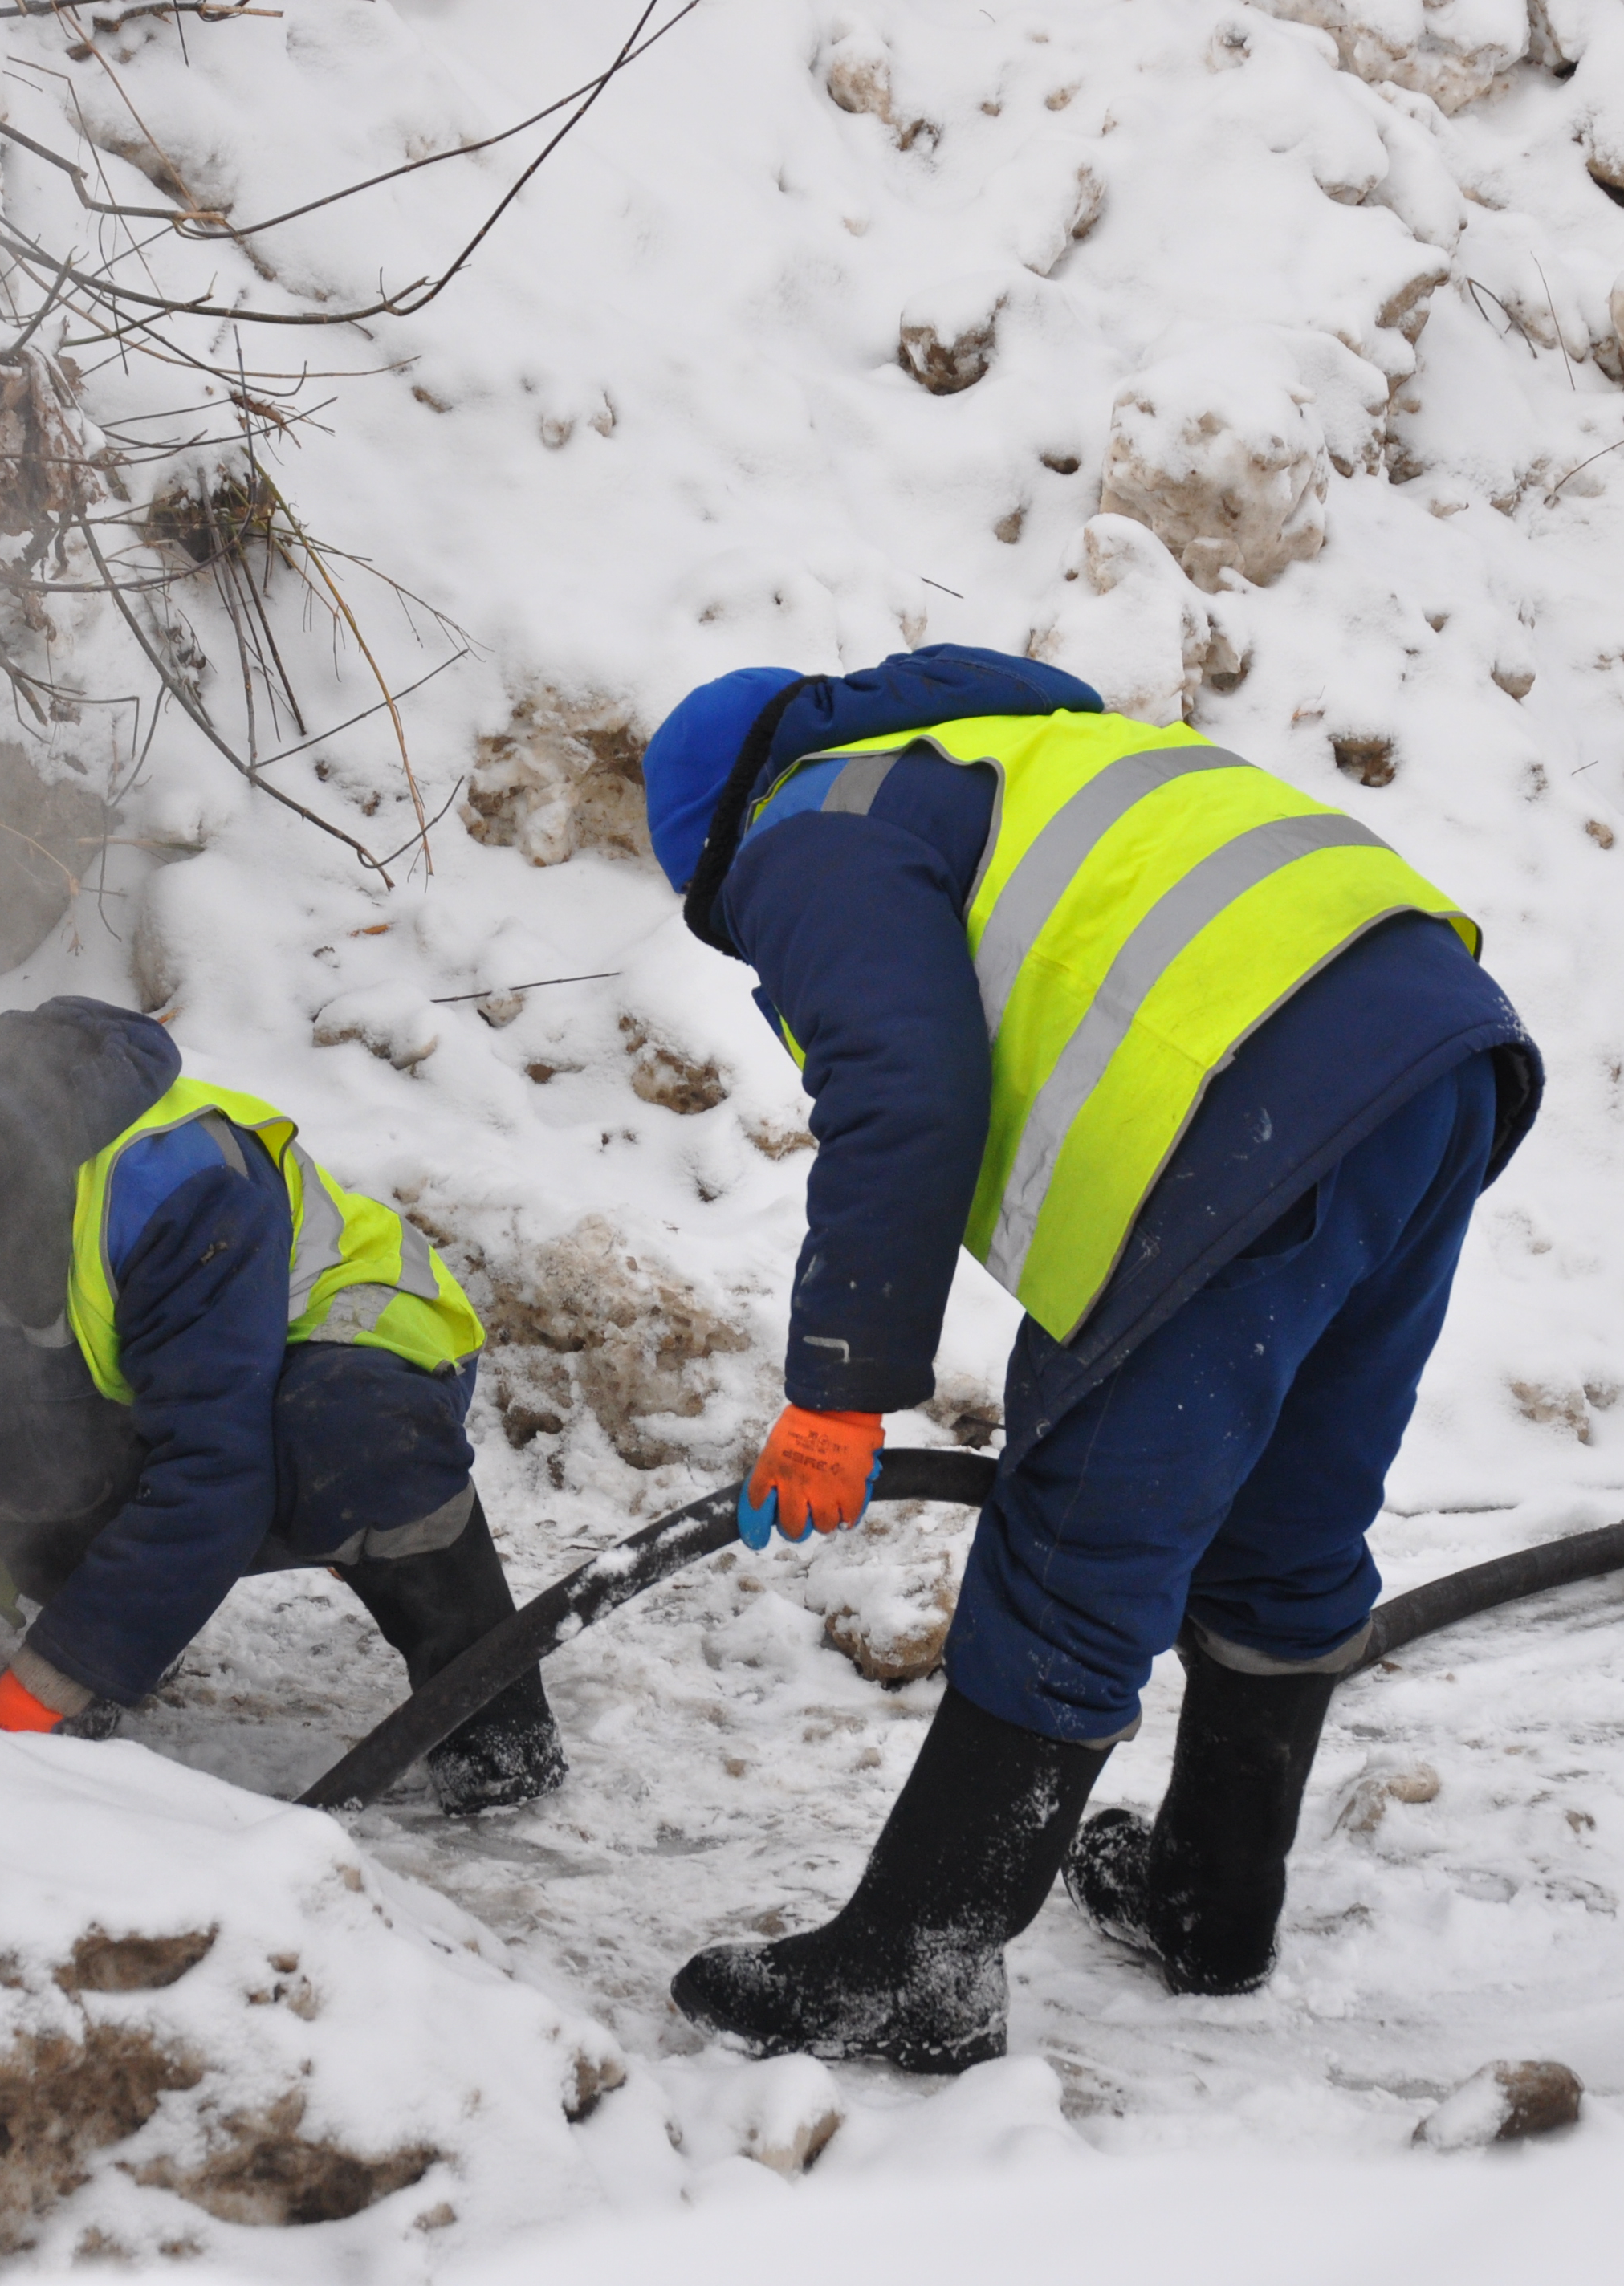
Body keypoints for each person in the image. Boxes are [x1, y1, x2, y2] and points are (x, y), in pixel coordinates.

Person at [644, 645, 1541, 2069]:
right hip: (1437, 1053)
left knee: (1081, 1527)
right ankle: (1211, 1903)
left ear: (715, 842)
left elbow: (899, 1079)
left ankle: (917, 1956)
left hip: (1248, 1085)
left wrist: (833, 1391)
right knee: (1289, 1510)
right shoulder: (1007, 753)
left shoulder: (810, 819)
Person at [0, 994, 565, 1814]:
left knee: (347, 1437)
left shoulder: (179, 1182)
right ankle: (115, 1640)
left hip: (356, 1354)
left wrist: (17, 1714)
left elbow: (216, 1475)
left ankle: (493, 1725)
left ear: (8, 1231)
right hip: (165, 1372)